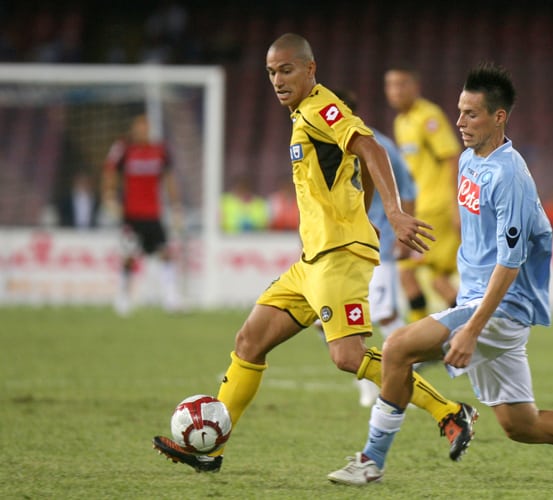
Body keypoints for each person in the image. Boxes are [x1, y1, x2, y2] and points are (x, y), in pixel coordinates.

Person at [328, 63, 553, 488]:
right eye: (459, 111)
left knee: (396, 347)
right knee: (521, 424)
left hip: (499, 307)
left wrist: (471, 328)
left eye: (472, 114)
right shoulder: (471, 159)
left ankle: (371, 461)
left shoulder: (509, 175)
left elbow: (511, 261)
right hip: (480, 300)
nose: (460, 122)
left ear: (499, 117)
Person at [152, 33, 478, 473]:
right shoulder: (301, 115)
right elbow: (353, 167)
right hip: (312, 261)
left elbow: (370, 146)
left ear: (310, 69)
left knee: (347, 355)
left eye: (286, 70)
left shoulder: (323, 108)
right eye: (271, 72)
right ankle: (211, 448)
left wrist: (395, 214)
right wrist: (358, 214)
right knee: (250, 341)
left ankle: (449, 412)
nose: (277, 80)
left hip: (338, 257)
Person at [334, 88, 417, 407]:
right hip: (337, 248)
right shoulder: (321, 145)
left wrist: (402, 229)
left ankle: (410, 368)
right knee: (325, 318)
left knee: (383, 315)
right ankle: (371, 383)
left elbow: (408, 187)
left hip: (376, 246)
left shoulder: (379, 145)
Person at [384, 64, 462, 322]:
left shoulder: (429, 116)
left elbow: (452, 157)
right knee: (409, 271)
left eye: (401, 84)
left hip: (437, 208)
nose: (395, 91)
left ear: (415, 87)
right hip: (417, 210)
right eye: (390, 85)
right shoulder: (401, 121)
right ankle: (423, 338)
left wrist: (457, 206)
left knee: (435, 277)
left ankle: (472, 330)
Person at [101, 114, 183, 315]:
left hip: (153, 214)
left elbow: (169, 179)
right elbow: (110, 171)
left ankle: (171, 298)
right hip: (131, 214)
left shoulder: (160, 151)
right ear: (133, 129)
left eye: (146, 128)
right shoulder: (124, 149)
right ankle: (123, 298)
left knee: (165, 254)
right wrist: (109, 196)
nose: (142, 131)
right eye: (139, 127)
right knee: (128, 256)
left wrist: (176, 207)